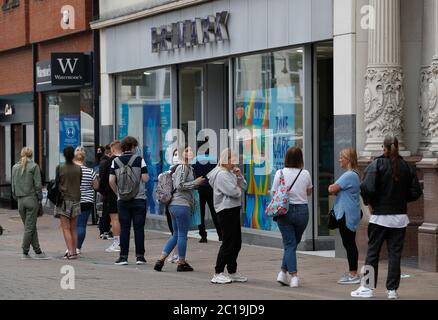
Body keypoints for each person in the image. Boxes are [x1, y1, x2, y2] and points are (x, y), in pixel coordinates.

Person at [351, 136, 422, 299]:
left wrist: (372, 202)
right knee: (395, 254)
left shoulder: (376, 165)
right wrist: (403, 200)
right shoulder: (406, 167)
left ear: (384, 148)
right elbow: (416, 192)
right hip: (400, 218)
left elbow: (366, 188)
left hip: (380, 217)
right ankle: (392, 290)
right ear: (397, 147)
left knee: (373, 253)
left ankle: (367, 288)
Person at [153, 145, 205, 272]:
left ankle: (160, 260)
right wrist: (195, 183)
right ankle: (181, 262)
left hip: (174, 204)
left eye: (191, 150)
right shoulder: (183, 167)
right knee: (182, 234)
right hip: (181, 204)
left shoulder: (185, 167)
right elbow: (180, 185)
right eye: (187, 150)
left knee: (176, 234)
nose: (191, 152)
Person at [272, 147, 313, 288]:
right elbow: (309, 192)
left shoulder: (280, 173)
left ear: (286, 158)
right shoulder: (305, 173)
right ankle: (282, 273)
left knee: (289, 244)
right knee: (292, 243)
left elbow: (274, 192)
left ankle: (293, 276)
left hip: (285, 211)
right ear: (300, 159)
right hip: (302, 211)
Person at [208, 148, 248, 284]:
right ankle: (218, 272)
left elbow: (244, 186)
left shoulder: (230, 173)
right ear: (225, 160)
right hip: (226, 210)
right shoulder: (221, 174)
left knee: (236, 243)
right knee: (228, 243)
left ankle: (232, 271)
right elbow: (234, 192)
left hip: (234, 209)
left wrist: (239, 176)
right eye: (232, 159)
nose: (234, 162)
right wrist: (237, 188)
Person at [109, 136, 149, 265]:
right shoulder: (139, 160)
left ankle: (123, 257)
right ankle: (140, 257)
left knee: (125, 228)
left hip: (123, 200)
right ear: (133, 147)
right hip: (139, 199)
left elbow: (111, 181)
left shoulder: (115, 161)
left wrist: (118, 193)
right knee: (139, 228)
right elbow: (145, 178)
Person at [328, 148, 361, 285]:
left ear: (348, 159)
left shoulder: (349, 175)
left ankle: (353, 274)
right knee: (349, 243)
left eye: (342, 157)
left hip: (347, 215)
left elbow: (332, 188)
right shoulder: (353, 175)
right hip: (347, 213)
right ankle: (352, 272)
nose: (339, 159)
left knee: (349, 244)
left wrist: (334, 188)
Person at [11, 147, 49, 260]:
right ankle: (25, 250)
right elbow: (38, 185)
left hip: (20, 200)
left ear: (22, 154)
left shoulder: (14, 167)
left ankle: (38, 251)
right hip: (31, 199)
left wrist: (16, 198)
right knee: (30, 227)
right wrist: (40, 198)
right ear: (31, 155)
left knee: (30, 226)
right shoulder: (34, 166)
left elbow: (13, 186)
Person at [192, 139, 222, 242]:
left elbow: (193, 175)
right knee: (215, 211)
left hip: (199, 188)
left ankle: (203, 236)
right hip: (211, 187)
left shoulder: (195, 159)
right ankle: (220, 234)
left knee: (200, 213)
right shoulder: (214, 159)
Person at [55, 146, 82, 260]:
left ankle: (70, 252)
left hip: (64, 200)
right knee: (74, 228)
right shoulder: (78, 169)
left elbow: (57, 183)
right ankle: (75, 251)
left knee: (65, 228)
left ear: (64, 155)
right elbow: (79, 182)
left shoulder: (60, 168)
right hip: (76, 200)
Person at [74, 147, 99, 254]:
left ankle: (71, 246)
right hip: (87, 201)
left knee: (72, 226)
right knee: (81, 225)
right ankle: (78, 247)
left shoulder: (71, 171)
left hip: (73, 200)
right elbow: (96, 186)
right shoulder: (90, 171)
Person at [102, 141, 122, 253]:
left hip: (112, 193)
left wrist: (103, 192)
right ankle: (124, 241)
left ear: (113, 150)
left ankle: (117, 242)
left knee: (114, 218)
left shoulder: (109, 162)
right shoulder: (128, 160)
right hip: (128, 194)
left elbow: (105, 179)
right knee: (124, 219)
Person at [98, 144, 113, 240]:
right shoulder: (106, 162)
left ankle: (104, 230)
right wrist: (103, 190)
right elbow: (104, 178)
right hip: (108, 191)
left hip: (105, 191)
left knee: (105, 212)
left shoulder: (102, 162)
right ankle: (104, 231)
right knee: (106, 212)